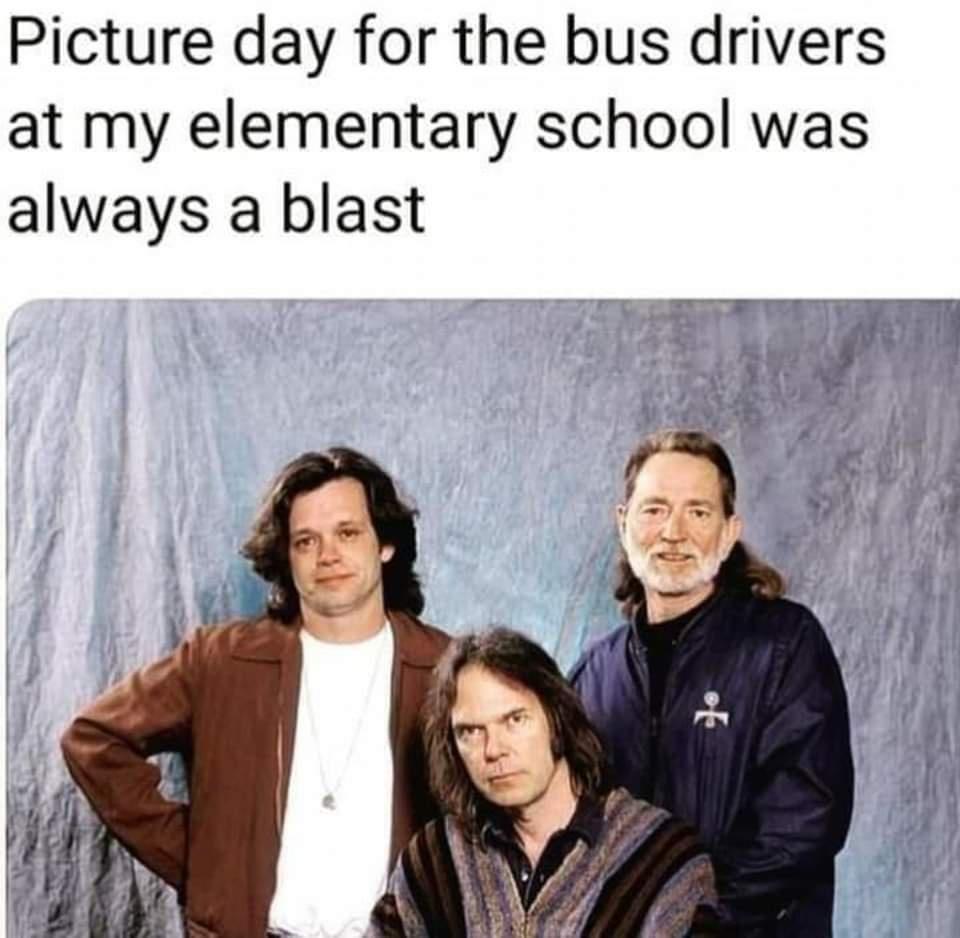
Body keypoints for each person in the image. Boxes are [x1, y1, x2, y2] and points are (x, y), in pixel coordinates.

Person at [61, 447, 449, 938]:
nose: (327, 555)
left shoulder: (446, 669)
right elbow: (94, 740)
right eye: (306, 541)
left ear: (385, 544)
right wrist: (210, 863)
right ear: (286, 558)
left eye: (347, 533)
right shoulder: (221, 660)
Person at [569, 429, 854, 937]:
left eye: (698, 512)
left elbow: (804, 820)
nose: (673, 532)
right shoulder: (594, 675)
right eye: (654, 509)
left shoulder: (784, 646)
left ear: (728, 531)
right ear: (623, 523)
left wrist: (692, 921)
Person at [369, 627, 717, 938]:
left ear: (557, 717)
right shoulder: (436, 856)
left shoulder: (661, 858)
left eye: (515, 720)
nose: (494, 750)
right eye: (470, 732)